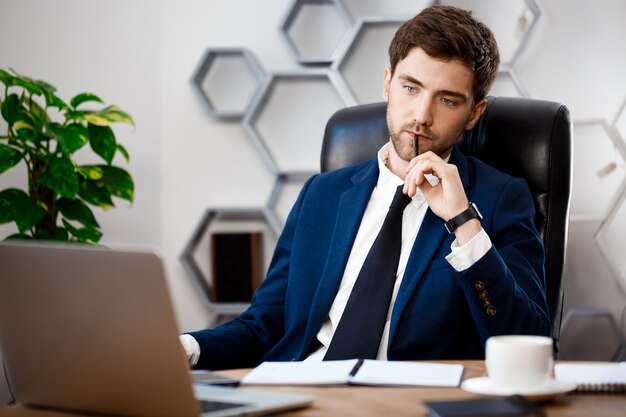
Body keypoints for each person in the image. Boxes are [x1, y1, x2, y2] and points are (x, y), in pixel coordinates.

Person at [180, 5, 550, 370]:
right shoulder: (321, 195)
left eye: (447, 99)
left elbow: (531, 340)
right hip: (303, 388)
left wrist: (464, 222)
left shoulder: (500, 199)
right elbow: (266, 325)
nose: (422, 115)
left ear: (474, 113)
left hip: (405, 402)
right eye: (410, 87)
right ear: (387, 83)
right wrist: (186, 348)